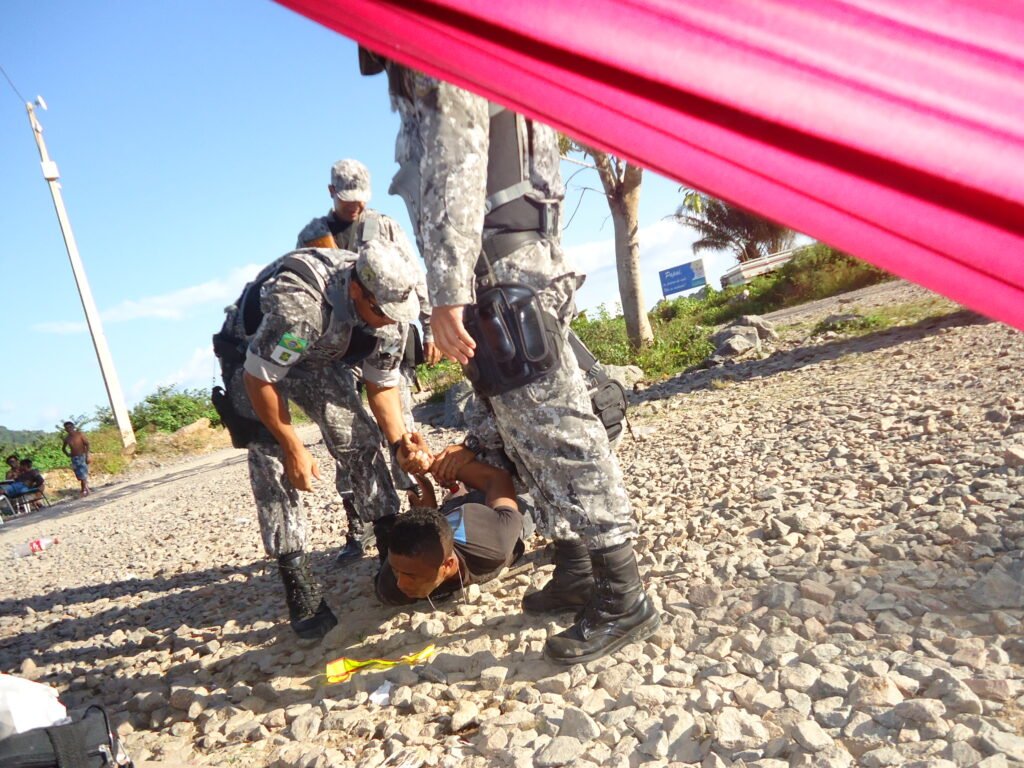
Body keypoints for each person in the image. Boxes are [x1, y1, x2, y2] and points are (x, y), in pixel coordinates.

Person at [364, 53, 660, 664]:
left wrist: (447, 291)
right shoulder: (473, 42)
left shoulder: (436, 43)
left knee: (561, 438)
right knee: (526, 439)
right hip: (511, 270)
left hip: (498, 275)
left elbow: (455, 159)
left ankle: (623, 595)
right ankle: (578, 568)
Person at [211, 239, 426, 641]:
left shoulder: (391, 315)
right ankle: (297, 578)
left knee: (359, 437)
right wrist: (292, 443)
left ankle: (388, 542)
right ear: (358, 291)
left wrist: (400, 446)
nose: (388, 322)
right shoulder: (301, 307)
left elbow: (381, 388)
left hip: (319, 357)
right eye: (380, 312)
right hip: (254, 356)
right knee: (272, 459)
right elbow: (260, 378)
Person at [295, 159, 438, 564]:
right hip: (334, 347)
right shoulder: (313, 235)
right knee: (347, 436)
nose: (354, 207)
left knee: (399, 423)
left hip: (382, 333)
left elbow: (412, 277)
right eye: (346, 199)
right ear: (331, 193)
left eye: (360, 199)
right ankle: (359, 522)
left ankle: (418, 508)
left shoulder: (386, 226)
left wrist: (426, 323)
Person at [375, 454, 526, 605]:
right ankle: (444, 499)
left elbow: (498, 478)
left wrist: (435, 464)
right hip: (447, 513)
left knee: (526, 505)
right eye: (396, 570)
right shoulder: (391, 588)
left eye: (412, 576)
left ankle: (454, 492)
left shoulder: (494, 544)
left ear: (449, 565)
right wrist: (428, 511)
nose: (401, 584)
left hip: (481, 515)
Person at [61, 421, 91, 497]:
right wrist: (68, 454)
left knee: (83, 474)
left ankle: (83, 489)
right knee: (79, 475)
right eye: (67, 428)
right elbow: (63, 448)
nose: (69, 429)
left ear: (73, 427)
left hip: (82, 456)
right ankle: (86, 488)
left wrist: (87, 455)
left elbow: (87, 444)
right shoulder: (67, 438)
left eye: (70, 427)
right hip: (74, 458)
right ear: (65, 429)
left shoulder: (79, 434)